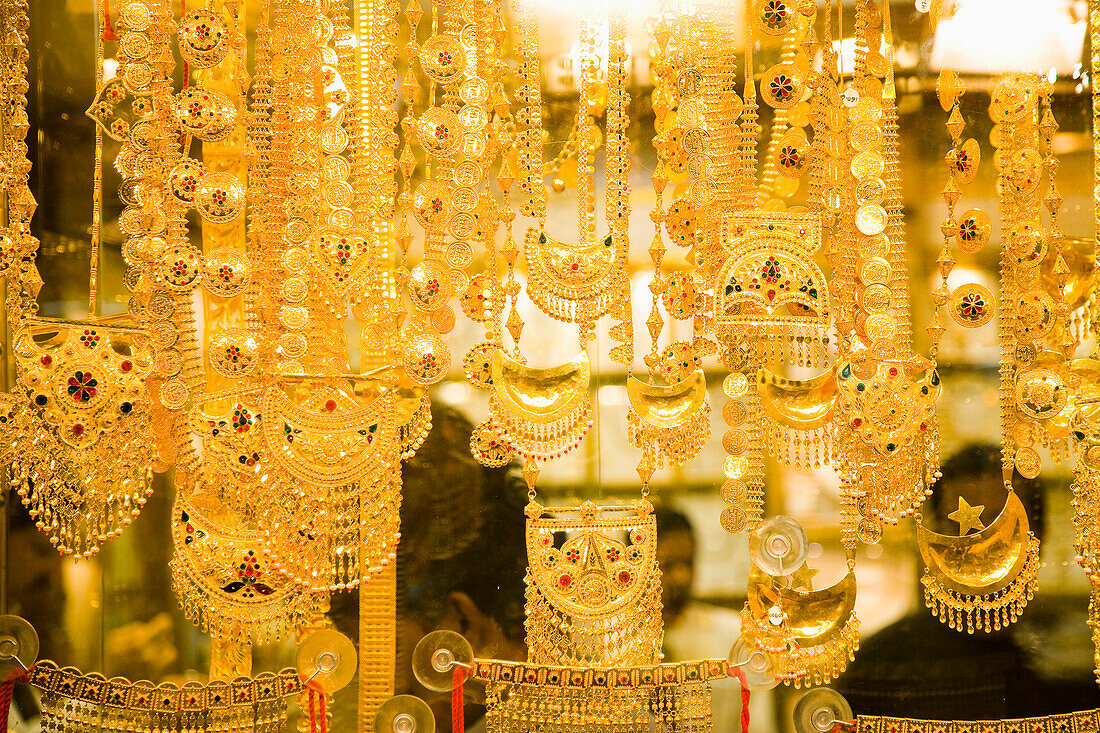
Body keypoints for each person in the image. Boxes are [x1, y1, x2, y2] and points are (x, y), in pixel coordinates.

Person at [834, 442, 1100, 719]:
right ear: (934, 540)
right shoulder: (883, 668)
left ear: (1039, 536)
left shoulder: (1083, 658)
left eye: (1006, 527)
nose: (983, 549)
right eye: (965, 529)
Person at [656, 505, 774, 733]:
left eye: (688, 563)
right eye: (668, 565)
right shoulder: (613, 649)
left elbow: (760, 726)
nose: (682, 576)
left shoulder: (736, 639)